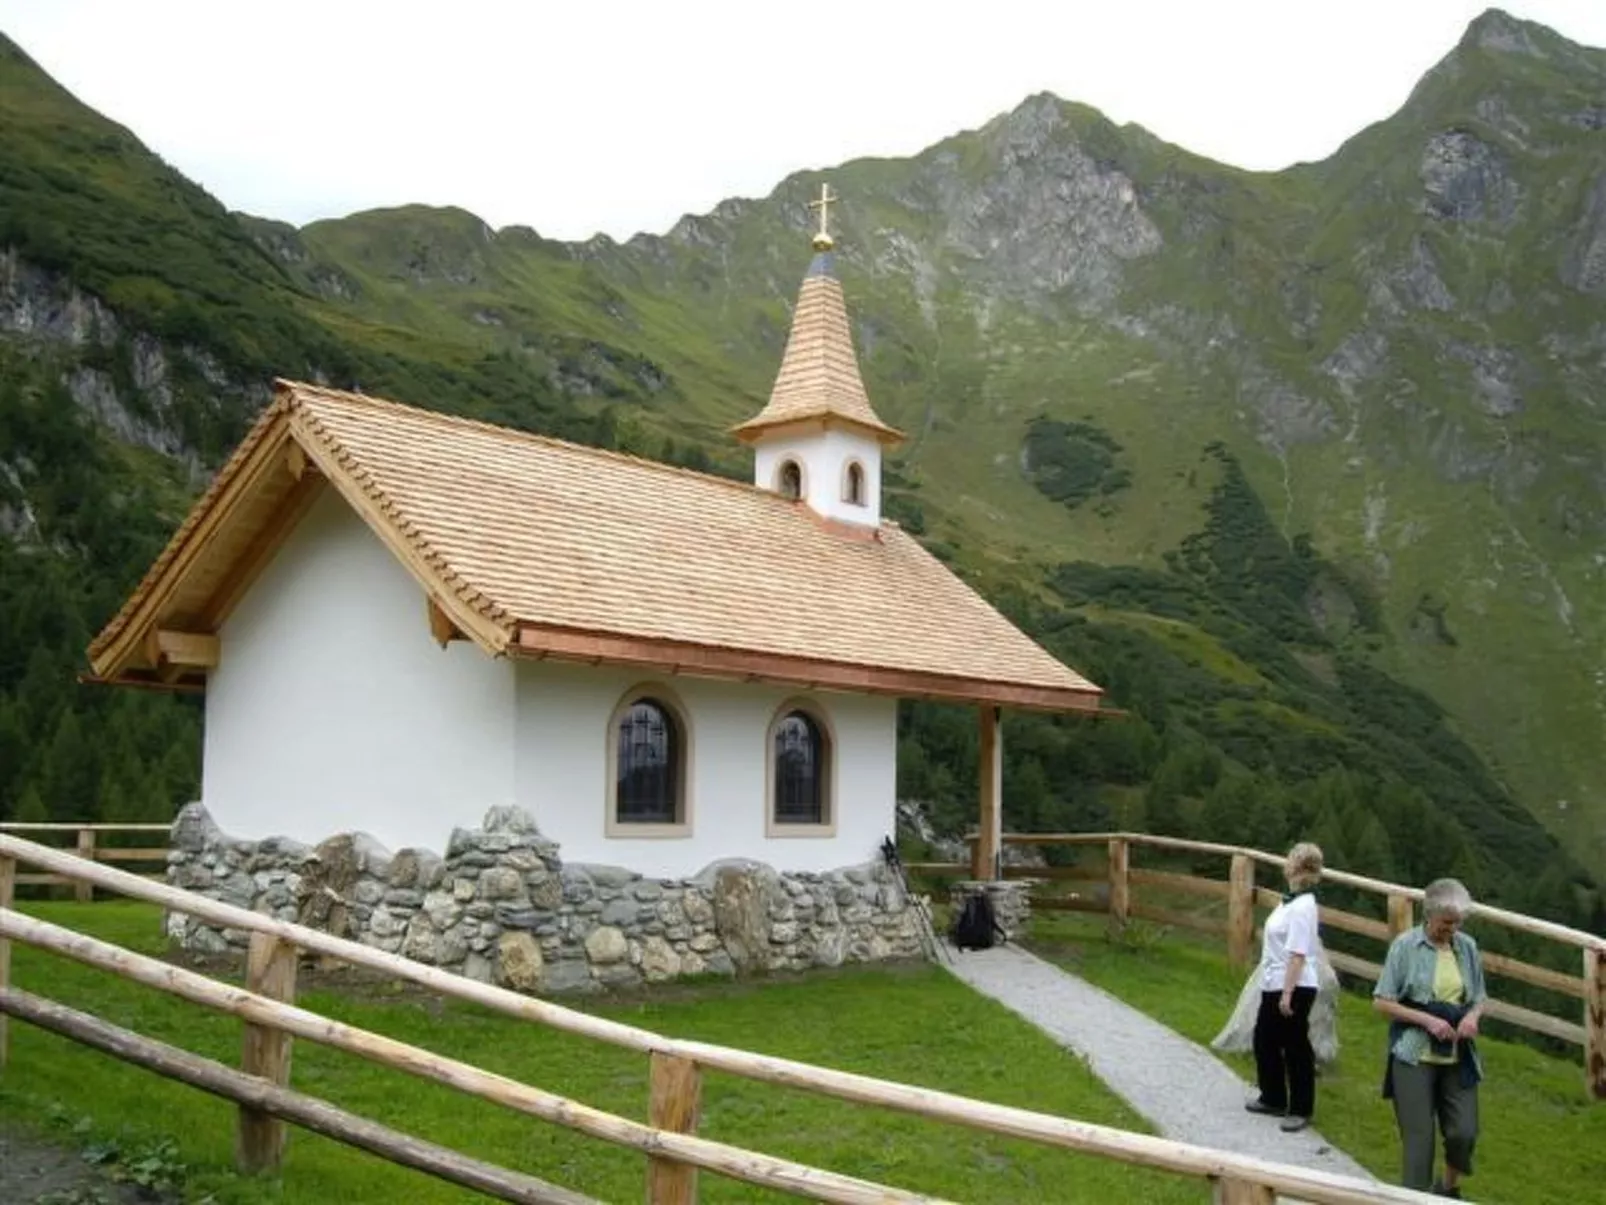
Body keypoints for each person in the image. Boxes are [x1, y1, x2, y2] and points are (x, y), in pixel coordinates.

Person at [1373, 878, 1487, 1199]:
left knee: (1464, 1132)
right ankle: (1415, 1198)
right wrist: (1427, 1020)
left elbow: (1479, 997)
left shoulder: (1467, 948)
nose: (1451, 929)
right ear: (1429, 915)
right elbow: (1381, 1001)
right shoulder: (1405, 946)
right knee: (1419, 1143)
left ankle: (1448, 1188)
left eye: (1457, 923)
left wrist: (1471, 1018)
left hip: (1457, 1056)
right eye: (1446, 923)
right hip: (1413, 1054)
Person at [1244, 842, 1324, 1132]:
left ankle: (1301, 1107)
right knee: (1264, 1039)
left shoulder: (1304, 906)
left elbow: (1298, 953)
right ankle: (1274, 1096)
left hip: (1294, 984)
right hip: (1274, 981)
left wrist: (1287, 993)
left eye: (1290, 860)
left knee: (1294, 1045)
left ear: (1297, 867)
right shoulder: (1289, 900)